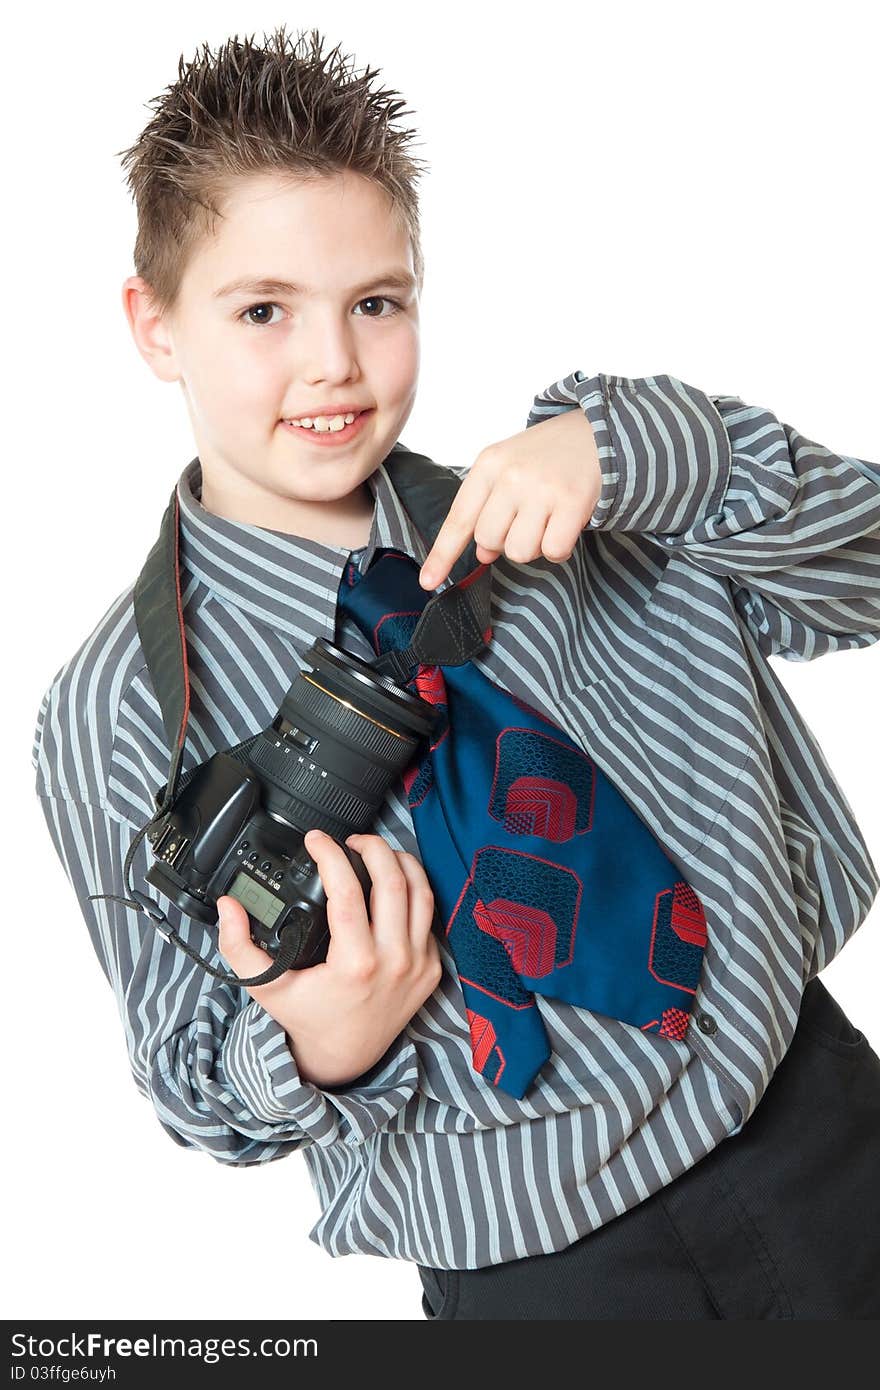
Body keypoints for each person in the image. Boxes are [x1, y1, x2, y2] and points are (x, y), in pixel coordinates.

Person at [31, 24, 880, 1320]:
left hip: (815, 1126)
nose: (334, 362)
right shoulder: (117, 708)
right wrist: (312, 1038)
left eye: (377, 300)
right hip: (531, 1273)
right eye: (264, 310)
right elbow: (190, 1077)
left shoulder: (577, 499)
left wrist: (658, 447)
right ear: (153, 323)